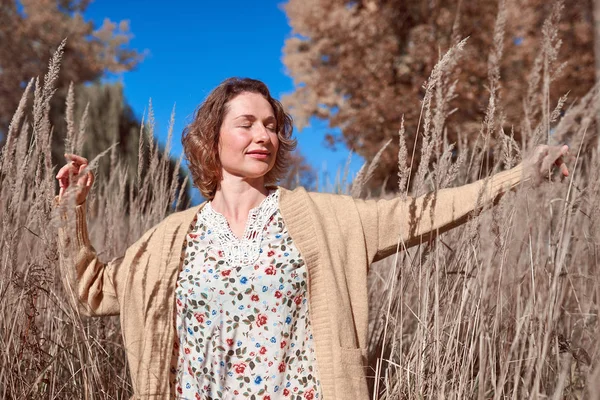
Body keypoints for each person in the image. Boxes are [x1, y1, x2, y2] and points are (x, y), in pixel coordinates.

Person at [55, 77, 569, 400]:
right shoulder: (170, 238)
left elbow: (423, 212)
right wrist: (70, 211)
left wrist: (521, 175)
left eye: (272, 126)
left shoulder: (325, 218)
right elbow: (93, 290)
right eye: (247, 124)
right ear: (210, 138)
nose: (263, 135)